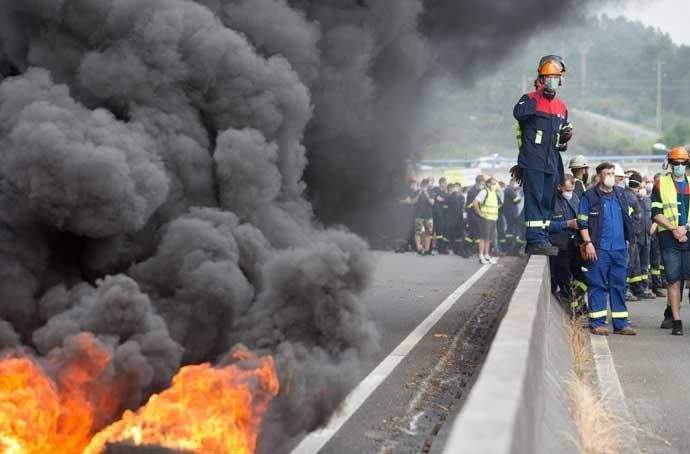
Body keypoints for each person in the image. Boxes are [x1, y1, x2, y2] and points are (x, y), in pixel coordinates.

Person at [512, 56, 573, 256]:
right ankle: (534, 239)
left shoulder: (562, 107)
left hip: (552, 162)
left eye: (555, 78)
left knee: (547, 201)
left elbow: (560, 142)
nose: (552, 81)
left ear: (560, 80)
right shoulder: (528, 100)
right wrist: (538, 93)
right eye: (548, 77)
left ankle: (543, 237)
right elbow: (518, 115)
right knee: (535, 200)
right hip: (533, 160)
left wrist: (565, 138)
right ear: (541, 78)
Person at [578, 162, 637, 336]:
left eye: (613, 173)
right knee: (597, 284)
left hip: (619, 249)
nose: (611, 176)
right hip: (599, 249)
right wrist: (588, 243)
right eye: (608, 173)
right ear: (599, 176)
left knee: (619, 285)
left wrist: (629, 239)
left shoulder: (621, 194)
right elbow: (583, 222)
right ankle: (597, 323)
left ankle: (621, 324)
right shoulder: (589, 197)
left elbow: (628, 218)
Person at [651, 147, 690, 335]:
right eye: (676, 164)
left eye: (683, 163)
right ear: (670, 164)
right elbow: (656, 213)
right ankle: (676, 321)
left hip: (688, 235)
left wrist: (686, 228)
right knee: (674, 279)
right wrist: (674, 229)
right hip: (669, 237)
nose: (679, 167)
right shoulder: (660, 184)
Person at [548, 175, 582, 312]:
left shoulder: (575, 198)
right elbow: (545, 225)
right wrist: (567, 224)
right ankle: (572, 311)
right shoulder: (549, 202)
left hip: (575, 245)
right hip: (559, 248)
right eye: (567, 190)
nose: (570, 193)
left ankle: (578, 306)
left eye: (572, 190)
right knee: (565, 280)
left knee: (581, 277)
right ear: (559, 187)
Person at [626, 172, 656, 299]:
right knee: (631, 264)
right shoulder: (629, 197)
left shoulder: (645, 199)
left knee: (643, 265)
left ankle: (642, 288)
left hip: (645, 235)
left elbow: (649, 216)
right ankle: (628, 290)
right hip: (635, 236)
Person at [472, 177, 500, 265]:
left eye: (494, 183)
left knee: (489, 239)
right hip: (486, 219)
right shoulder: (484, 191)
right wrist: (480, 213)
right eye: (492, 183)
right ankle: (481, 255)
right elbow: (475, 202)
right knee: (483, 238)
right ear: (488, 183)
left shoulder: (493, 192)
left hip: (493, 218)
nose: (494, 185)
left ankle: (487, 255)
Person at [465, 175, 486, 256]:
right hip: (473, 215)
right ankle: (474, 249)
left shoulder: (482, 190)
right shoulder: (472, 191)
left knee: (473, 233)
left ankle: (470, 249)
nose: (482, 184)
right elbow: (471, 205)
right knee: (477, 233)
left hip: (479, 215)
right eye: (481, 183)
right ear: (477, 182)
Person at [413, 178, 435, 256]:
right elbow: (413, 202)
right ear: (421, 185)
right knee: (418, 232)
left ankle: (426, 250)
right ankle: (419, 249)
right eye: (423, 184)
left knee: (428, 233)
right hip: (418, 215)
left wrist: (426, 194)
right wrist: (419, 194)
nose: (424, 186)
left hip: (428, 215)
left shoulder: (431, 193)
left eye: (426, 184)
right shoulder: (417, 192)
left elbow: (432, 203)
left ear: (427, 185)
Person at [502, 178, 524, 255]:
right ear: (512, 182)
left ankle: (510, 248)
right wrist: (518, 194)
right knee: (513, 231)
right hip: (512, 213)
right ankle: (512, 249)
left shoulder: (508, 190)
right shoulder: (510, 190)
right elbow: (517, 200)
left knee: (510, 230)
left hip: (509, 213)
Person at [396, 179, 418, 253]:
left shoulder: (414, 192)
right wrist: (418, 196)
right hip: (404, 214)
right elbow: (409, 202)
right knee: (404, 231)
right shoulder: (405, 192)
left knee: (411, 230)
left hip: (411, 214)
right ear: (410, 184)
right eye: (414, 184)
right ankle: (402, 247)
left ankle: (410, 245)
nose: (415, 186)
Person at [447, 183, 465, 256]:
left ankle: (458, 249)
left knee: (459, 234)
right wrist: (453, 195)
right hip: (451, 218)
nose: (456, 189)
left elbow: (462, 206)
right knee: (452, 234)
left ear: (460, 188)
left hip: (459, 218)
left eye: (458, 187)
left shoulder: (462, 197)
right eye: (455, 187)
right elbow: (447, 203)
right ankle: (451, 248)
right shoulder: (450, 196)